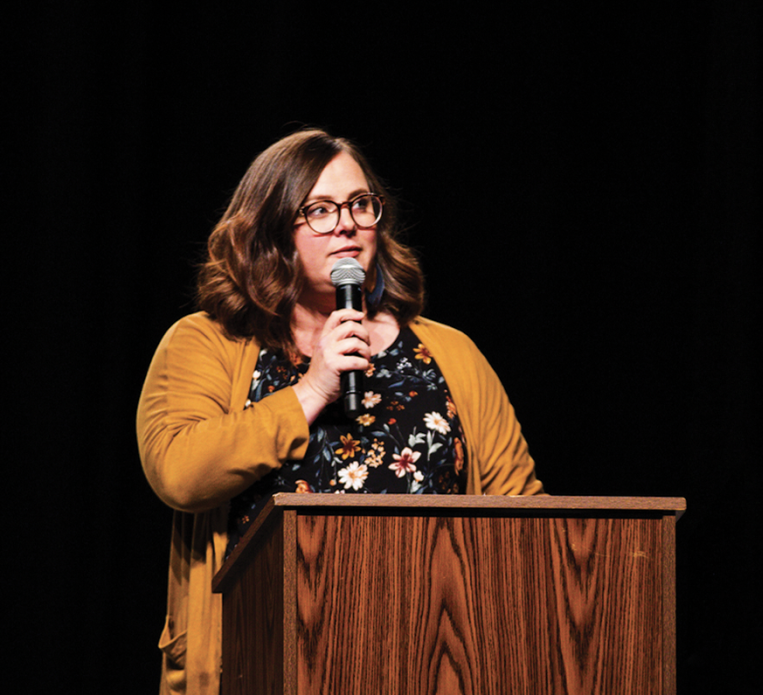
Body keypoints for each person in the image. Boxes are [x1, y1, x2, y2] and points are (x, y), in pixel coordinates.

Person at [137, 130, 544, 695]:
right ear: (273, 229)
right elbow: (180, 473)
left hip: (429, 663)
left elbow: (524, 519)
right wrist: (314, 388)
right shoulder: (207, 343)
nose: (348, 224)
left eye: (360, 204)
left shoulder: (450, 354)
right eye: (321, 211)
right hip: (260, 663)